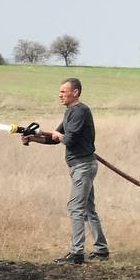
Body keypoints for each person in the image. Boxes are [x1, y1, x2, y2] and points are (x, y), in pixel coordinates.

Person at [21, 78, 109, 264]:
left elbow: (68, 140)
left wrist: (59, 135)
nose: (60, 95)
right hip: (80, 166)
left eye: (63, 91)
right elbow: (55, 138)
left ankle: (77, 253)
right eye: (60, 91)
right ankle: (101, 250)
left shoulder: (81, 111)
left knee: (75, 207)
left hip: (83, 166)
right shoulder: (70, 112)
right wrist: (33, 137)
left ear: (75, 92)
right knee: (87, 208)